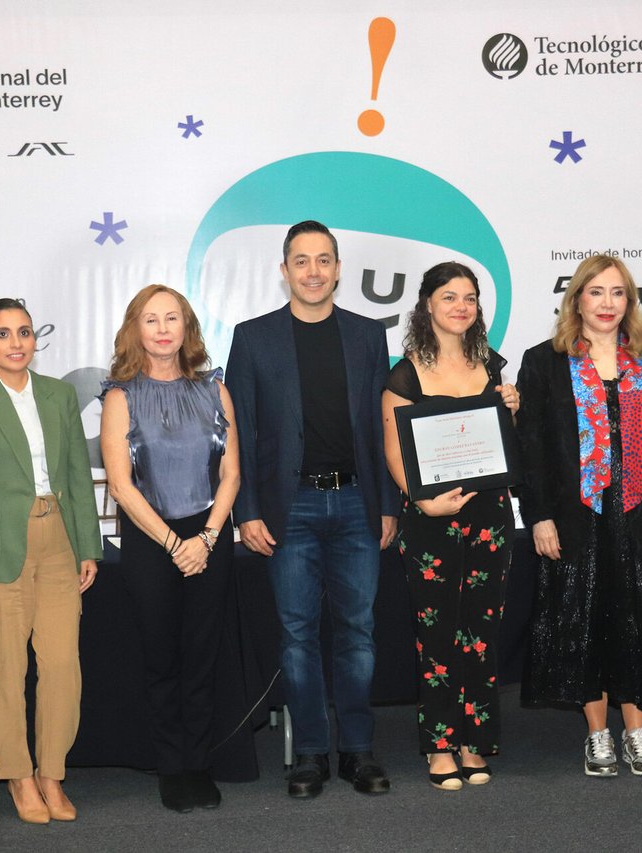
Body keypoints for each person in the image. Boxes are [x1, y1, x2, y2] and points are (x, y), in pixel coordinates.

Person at [226, 220, 399, 799]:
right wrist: (247, 509)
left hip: (357, 502)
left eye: (324, 260)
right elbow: (241, 433)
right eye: (301, 261)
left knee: (358, 633)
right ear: (284, 271)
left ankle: (356, 751)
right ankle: (307, 755)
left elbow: (384, 431)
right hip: (288, 508)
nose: (313, 271)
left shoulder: (369, 336)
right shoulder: (253, 339)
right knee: (297, 637)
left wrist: (389, 505)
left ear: (338, 269)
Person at [517, 254, 642, 777]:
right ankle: (598, 735)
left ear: (630, 303)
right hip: (575, 518)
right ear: (577, 300)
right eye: (596, 292)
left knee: (639, 621)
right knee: (584, 622)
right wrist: (540, 517)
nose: (607, 304)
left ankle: (637, 731)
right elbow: (534, 450)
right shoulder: (544, 361)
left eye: (618, 293)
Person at [0, 299, 102, 824]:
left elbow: (79, 475)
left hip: (59, 542)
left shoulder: (59, 395)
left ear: (35, 340)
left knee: (61, 668)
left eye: (25, 332)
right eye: (4, 334)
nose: (16, 342)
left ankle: (52, 773)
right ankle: (19, 777)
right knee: (7, 673)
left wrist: (88, 547)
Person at [99, 284, 240, 813]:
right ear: (136, 329)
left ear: (187, 328)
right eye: (151, 319)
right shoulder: (120, 395)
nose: (162, 328)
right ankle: (171, 766)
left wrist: (205, 538)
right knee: (161, 659)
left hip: (209, 538)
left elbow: (231, 473)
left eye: (172, 318)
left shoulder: (215, 390)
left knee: (203, 656)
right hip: (150, 542)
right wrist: (174, 543)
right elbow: (121, 485)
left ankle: (199, 763)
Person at [381, 261, 519, 790]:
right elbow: (394, 451)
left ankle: (472, 741)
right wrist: (423, 502)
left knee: (480, 634)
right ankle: (440, 745)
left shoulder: (491, 366)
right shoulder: (406, 373)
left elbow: (500, 444)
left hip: (490, 516)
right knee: (436, 635)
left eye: (469, 298)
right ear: (427, 306)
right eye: (449, 297)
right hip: (432, 520)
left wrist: (512, 405)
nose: (460, 307)